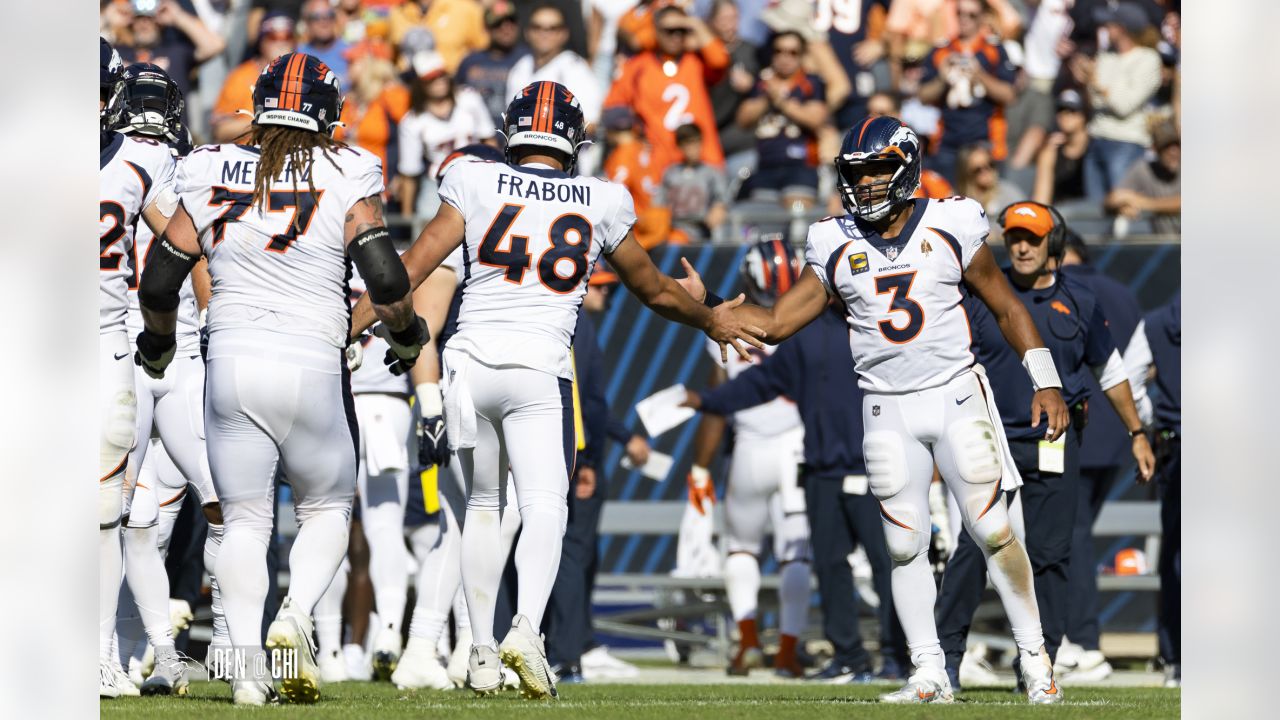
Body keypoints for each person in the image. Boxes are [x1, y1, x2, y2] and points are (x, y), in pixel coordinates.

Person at [345, 80, 764, 700]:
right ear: (573, 142)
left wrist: (345, 326)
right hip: (539, 365)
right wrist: (710, 318)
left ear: (513, 132)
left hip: (469, 361)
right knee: (546, 505)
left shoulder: (474, 178)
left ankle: (482, 651)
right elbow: (651, 289)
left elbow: (406, 272)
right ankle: (524, 632)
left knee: (478, 511)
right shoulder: (602, 197)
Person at [696, 115, 1071, 704]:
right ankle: (928, 672)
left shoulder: (952, 221)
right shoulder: (832, 239)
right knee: (902, 545)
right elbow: (777, 323)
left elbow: (1006, 306)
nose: (867, 184)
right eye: (857, 173)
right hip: (884, 406)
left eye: (878, 170)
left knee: (993, 528)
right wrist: (711, 307)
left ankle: (1035, 656)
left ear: (906, 168)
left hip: (954, 393)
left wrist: (1043, 381)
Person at [135, 52, 429, 705]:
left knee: (243, 520)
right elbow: (384, 278)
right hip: (312, 361)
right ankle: (295, 617)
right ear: (328, 113)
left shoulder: (208, 165)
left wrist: (156, 342)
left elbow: (160, 279)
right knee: (328, 506)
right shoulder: (346, 167)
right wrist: (407, 333)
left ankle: (244, 674)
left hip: (230, 360)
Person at [932, 201, 1155, 688]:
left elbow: (1110, 371)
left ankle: (1040, 663)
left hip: (1055, 441)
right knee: (975, 548)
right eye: (1014, 237)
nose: (1022, 246)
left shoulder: (1081, 301)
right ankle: (944, 659)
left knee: (1053, 553)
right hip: (988, 440)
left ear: (1054, 242)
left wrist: (1137, 432)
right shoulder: (981, 297)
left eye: (1032, 237)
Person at [683, 265, 909, 684]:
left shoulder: (883, 323)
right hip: (821, 466)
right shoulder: (808, 330)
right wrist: (707, 399)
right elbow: (765, 372)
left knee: (889, 563)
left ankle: (901, 653)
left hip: (875, 465)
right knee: (829, 564)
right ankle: (849, 656)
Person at [110, 62, 226, 697]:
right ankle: (217, 652)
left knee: (133, 514)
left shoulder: (110, 161)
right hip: (169, 352)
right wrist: (214, 326)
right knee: (211, 507)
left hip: (133, 346)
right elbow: (197, 253)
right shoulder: (188, 167)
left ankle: (135, 653)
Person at [681, 238, 812, 678]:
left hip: (750, 450)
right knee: (796, 554)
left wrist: (700, 467)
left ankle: (748, 643)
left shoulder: (728, 322)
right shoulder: (806, 320)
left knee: (741, 549)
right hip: (796, 447)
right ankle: (789, 649)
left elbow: (718, 403)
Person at [99, 37, 179, 699]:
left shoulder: (142, 161)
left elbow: (185, 249)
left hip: (115, 344)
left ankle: (141, 653)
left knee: (120, 511)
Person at [1054, 230, 1146, 681]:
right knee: (1076, 534)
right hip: (1117, 432)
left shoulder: (1062, 289)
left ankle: (1082, 642)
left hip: (1074, 426)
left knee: (1068, 537)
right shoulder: (1124, 293)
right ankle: (1075, 639)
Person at [1124, 293, 1180, 688]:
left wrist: (1147, 422)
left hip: (1179, 442)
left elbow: (1129, 378)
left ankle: (1177, 657)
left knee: (1179, 554)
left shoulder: (1159, 321)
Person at [605, 3, 729, 175]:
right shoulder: (638, 67)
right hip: (659, 166)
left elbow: (720, 60)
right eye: (669, 31)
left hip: (703, 162)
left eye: (681, 30)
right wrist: (633, 135)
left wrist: (693, 23)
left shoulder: (696, 61)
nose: (676, 36)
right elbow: (612, 108)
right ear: (655, 30)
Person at [916, 0, 1017, 183]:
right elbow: (923, 95)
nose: (964, 19)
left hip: (986, 142)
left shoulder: (994, 50)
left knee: (985, 204)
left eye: (971, 15)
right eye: (960, 13)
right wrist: (942, 78)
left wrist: (980, 75)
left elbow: (1009, 95)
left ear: (983, 17)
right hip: (948, 142)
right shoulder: (942, 50)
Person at [1071, 2, 1162, 202]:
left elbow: (1124, 105)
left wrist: (1094, 80)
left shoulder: (1148, 59)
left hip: (1126, 142)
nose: (1105, 29)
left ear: (1123, 29)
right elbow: (1094, 103)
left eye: (1110, 25)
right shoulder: (1106, 57)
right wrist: (1084, 82)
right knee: (1095, 210)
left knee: (1122, 206)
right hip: (1097, 139)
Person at [395, 51, 497, 218]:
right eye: (432, 79)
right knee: (427, 217)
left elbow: (490, 141)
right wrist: (407, 220)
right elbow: (409, 173)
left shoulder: (469, 99)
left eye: (442, 76)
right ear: (420, 84)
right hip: (439, 183)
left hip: (479, 174)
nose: (439, 82)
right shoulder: (412, 122)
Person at [736, 30, 829, 209]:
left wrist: (781, 101)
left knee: (797, 224)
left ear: (801, 56)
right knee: (764, 226)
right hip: (765, 166)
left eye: (792, 52)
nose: (785, 58)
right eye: (779, 51)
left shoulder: (811, 83)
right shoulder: (762, 82)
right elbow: (743, 120)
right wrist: (766, 97)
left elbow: (816, 119)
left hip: (801, 166)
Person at [505, 3, 603, 134]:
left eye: (552, 28)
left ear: (564, 34)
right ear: (527, 32)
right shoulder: (520, 67)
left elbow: (591, 124)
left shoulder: (576, 68)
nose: (544, 33)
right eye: (537, 27)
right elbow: (510, 118)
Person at [211, 12, 296, 142]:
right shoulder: (240, 77)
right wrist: (267, 122)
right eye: (273, 37)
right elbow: (220, 130)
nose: (281, 43)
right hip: (247, 156)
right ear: (262, 40)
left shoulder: (305, 78)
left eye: (287, 36)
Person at [114, 0, 226, 98]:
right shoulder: (116, 54)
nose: (144, 24)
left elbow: (215, 45)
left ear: (159, 21)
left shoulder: (176, 51)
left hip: (172, 121)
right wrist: (112, 18)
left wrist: (177, 16)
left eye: (150, 18)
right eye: (139, 18)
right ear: (131, 21)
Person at [455, 1, 529, 128]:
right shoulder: (470, 61)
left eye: (511, 21)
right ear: (486, 28)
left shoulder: (528, 59)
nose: (506, 28)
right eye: (498, 24)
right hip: (476, 136)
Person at [654, 124, 729, 244]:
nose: (694, 148)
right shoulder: (670, 173)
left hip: (701, 229)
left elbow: (722, 200)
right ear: (680, 146)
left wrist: (719, 208)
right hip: (674, 228)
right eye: (689, 144)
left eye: (697, 142)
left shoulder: (711, 172)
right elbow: (658, 203)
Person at [1105, 122, 1180, 236]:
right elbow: (1113, 198)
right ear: (1155, 149)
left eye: (1177, 145)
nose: (1173, 152)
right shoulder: (1143, 168)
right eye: (1166, 147)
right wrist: (1122, 207)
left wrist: (1142, 203)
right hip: (1161, 244)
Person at [389, 0, 488, 74]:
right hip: (410, 87)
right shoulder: (397, 12)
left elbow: (484, 51)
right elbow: (393, 57)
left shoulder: (466, 9)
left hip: (452, 85)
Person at [1031, 90, 1090, 205]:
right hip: (1060, 215)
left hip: (1093, 216)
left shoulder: (1094, 149)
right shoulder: (1051, 150)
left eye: (1072, 111)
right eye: (1061, 110)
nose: (1065, 116)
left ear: (1084, 115)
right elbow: (1041, 200)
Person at [954, 143, 1022, 219]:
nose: (986, 171)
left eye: (990, 164)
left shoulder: (1008, 192)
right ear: (967, 174)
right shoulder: (957, 202)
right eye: (978, 169)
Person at [297, 0, 351, 89]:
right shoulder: (298, 55)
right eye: (316, 17)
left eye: (329, 15)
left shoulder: (350, 53)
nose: (324, 22)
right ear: (306, 22)